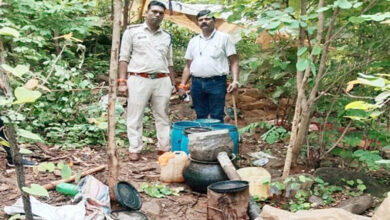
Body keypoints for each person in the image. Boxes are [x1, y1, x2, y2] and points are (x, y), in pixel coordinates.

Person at [118, 0, 175, 161]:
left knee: (162, 115)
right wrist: (122, 81)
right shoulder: (132, 32)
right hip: (138, 78)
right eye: (154, 11)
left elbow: (169, 62)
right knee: (135, 115)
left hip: (162, 79)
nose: (157, 15)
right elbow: (123, 58)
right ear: (146, 12)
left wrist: (173, 83)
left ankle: (164, 148)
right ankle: (135, 148)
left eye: (160, 13)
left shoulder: (166, 37)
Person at [178, 10, 240, 122]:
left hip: (216, 82)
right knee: (200, 115)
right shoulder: (193, 41)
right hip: (196, 83)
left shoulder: (224, 38)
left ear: (214, 21)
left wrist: (235, 81)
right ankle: (203, 138)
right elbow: (188, 66)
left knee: (217, 115)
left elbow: (234, 61)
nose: (204, 22)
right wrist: (182, 85)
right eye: (201, 20)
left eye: (207, 19)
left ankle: (217, 137)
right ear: (198, 23)